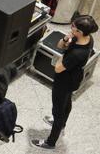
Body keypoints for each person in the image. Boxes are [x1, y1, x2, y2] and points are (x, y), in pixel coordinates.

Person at [31, 15, 98, 149]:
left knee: (58, 111)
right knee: (66, 102)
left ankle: (50, 142)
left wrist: (62, 55)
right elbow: (60, 45)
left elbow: (58, 67)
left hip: (65, 81)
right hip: (72, 77)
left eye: (73, 26)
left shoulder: (78, 53)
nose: (71, 27)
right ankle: (61, 124)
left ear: (79, 31)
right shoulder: (87, 38)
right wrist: (66, 39)